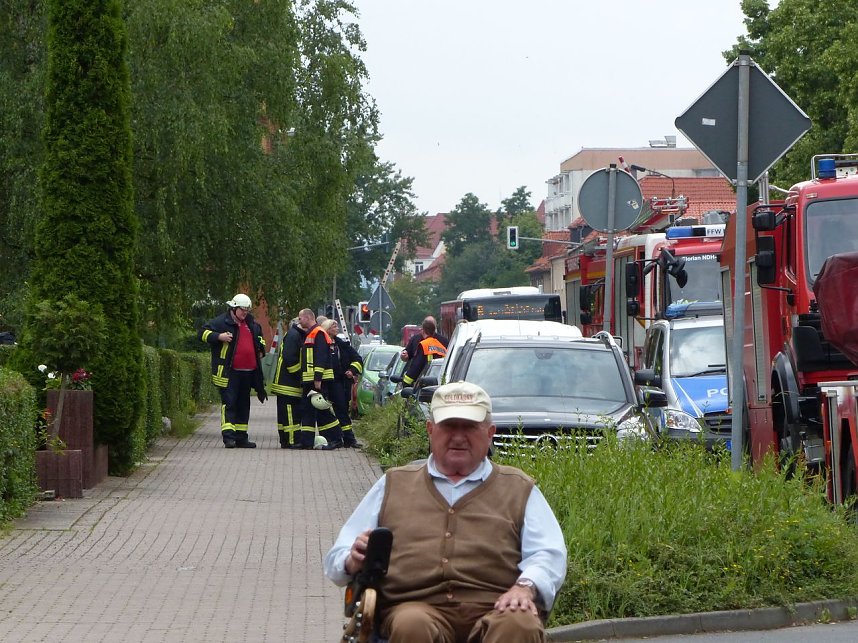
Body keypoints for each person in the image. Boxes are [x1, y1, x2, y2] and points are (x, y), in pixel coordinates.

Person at [324, 381, 567, 643]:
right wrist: (353, 559)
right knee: (411, 625)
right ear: (431, 430)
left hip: (497, 608)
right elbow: (337, 560)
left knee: (520, 624)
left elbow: (548, 553)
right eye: (449, 426)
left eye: (470, 427)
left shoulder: (519, 488)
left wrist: (526, 587)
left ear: (490, 433)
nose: (459, 436)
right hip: (414, 608)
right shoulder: (394, 484)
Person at [200, 293, 268, 448]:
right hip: (230, 372)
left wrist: (261, 349)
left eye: (247, 311)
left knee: (244, 405)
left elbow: (260, 339)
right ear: (234, 308)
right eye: (242, 310)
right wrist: (219, 336)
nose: (245, 313)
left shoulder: (252, 325)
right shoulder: (221, 322)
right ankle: (229, 438)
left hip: (248, 372)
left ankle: (241, 438)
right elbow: (202, 333)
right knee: (229, 404)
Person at [298, 308, 343, 450]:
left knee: (323, 410)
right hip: (310, 381)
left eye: (300, 318)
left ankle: (336, 439)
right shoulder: (311, 333)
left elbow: (321, 356)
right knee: (307, 411)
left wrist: (318, 379)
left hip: (317, 381)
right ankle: (306, 442)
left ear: (307, 317)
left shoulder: (318, 333)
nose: (299, 321)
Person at [321, 319, 364, 448]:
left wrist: (352, 370)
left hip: (340, 383)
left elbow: (357, 359)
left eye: (337, 326)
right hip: (324, 383)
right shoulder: (321, 343)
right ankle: (332, 438)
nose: (337, 328)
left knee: (342, 410)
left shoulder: (342, 345)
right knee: (324, 412)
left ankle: (349, 439)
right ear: (327, 329)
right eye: (334, 326)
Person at [271, 316, 308, 449]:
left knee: (284, 416)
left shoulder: (292, 334)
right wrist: (301, 375)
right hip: (289, 384)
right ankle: (293, 441)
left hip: (285, 383)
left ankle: (285, 440)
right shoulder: (294, 335)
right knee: (290, 414)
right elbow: (290, 359)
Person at [402, 318, 448, 386]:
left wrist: (406, 382)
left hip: (426, 383)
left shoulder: (424, 345)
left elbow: (416, 366)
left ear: (423, 331)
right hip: (440, 382)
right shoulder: (442, 347)